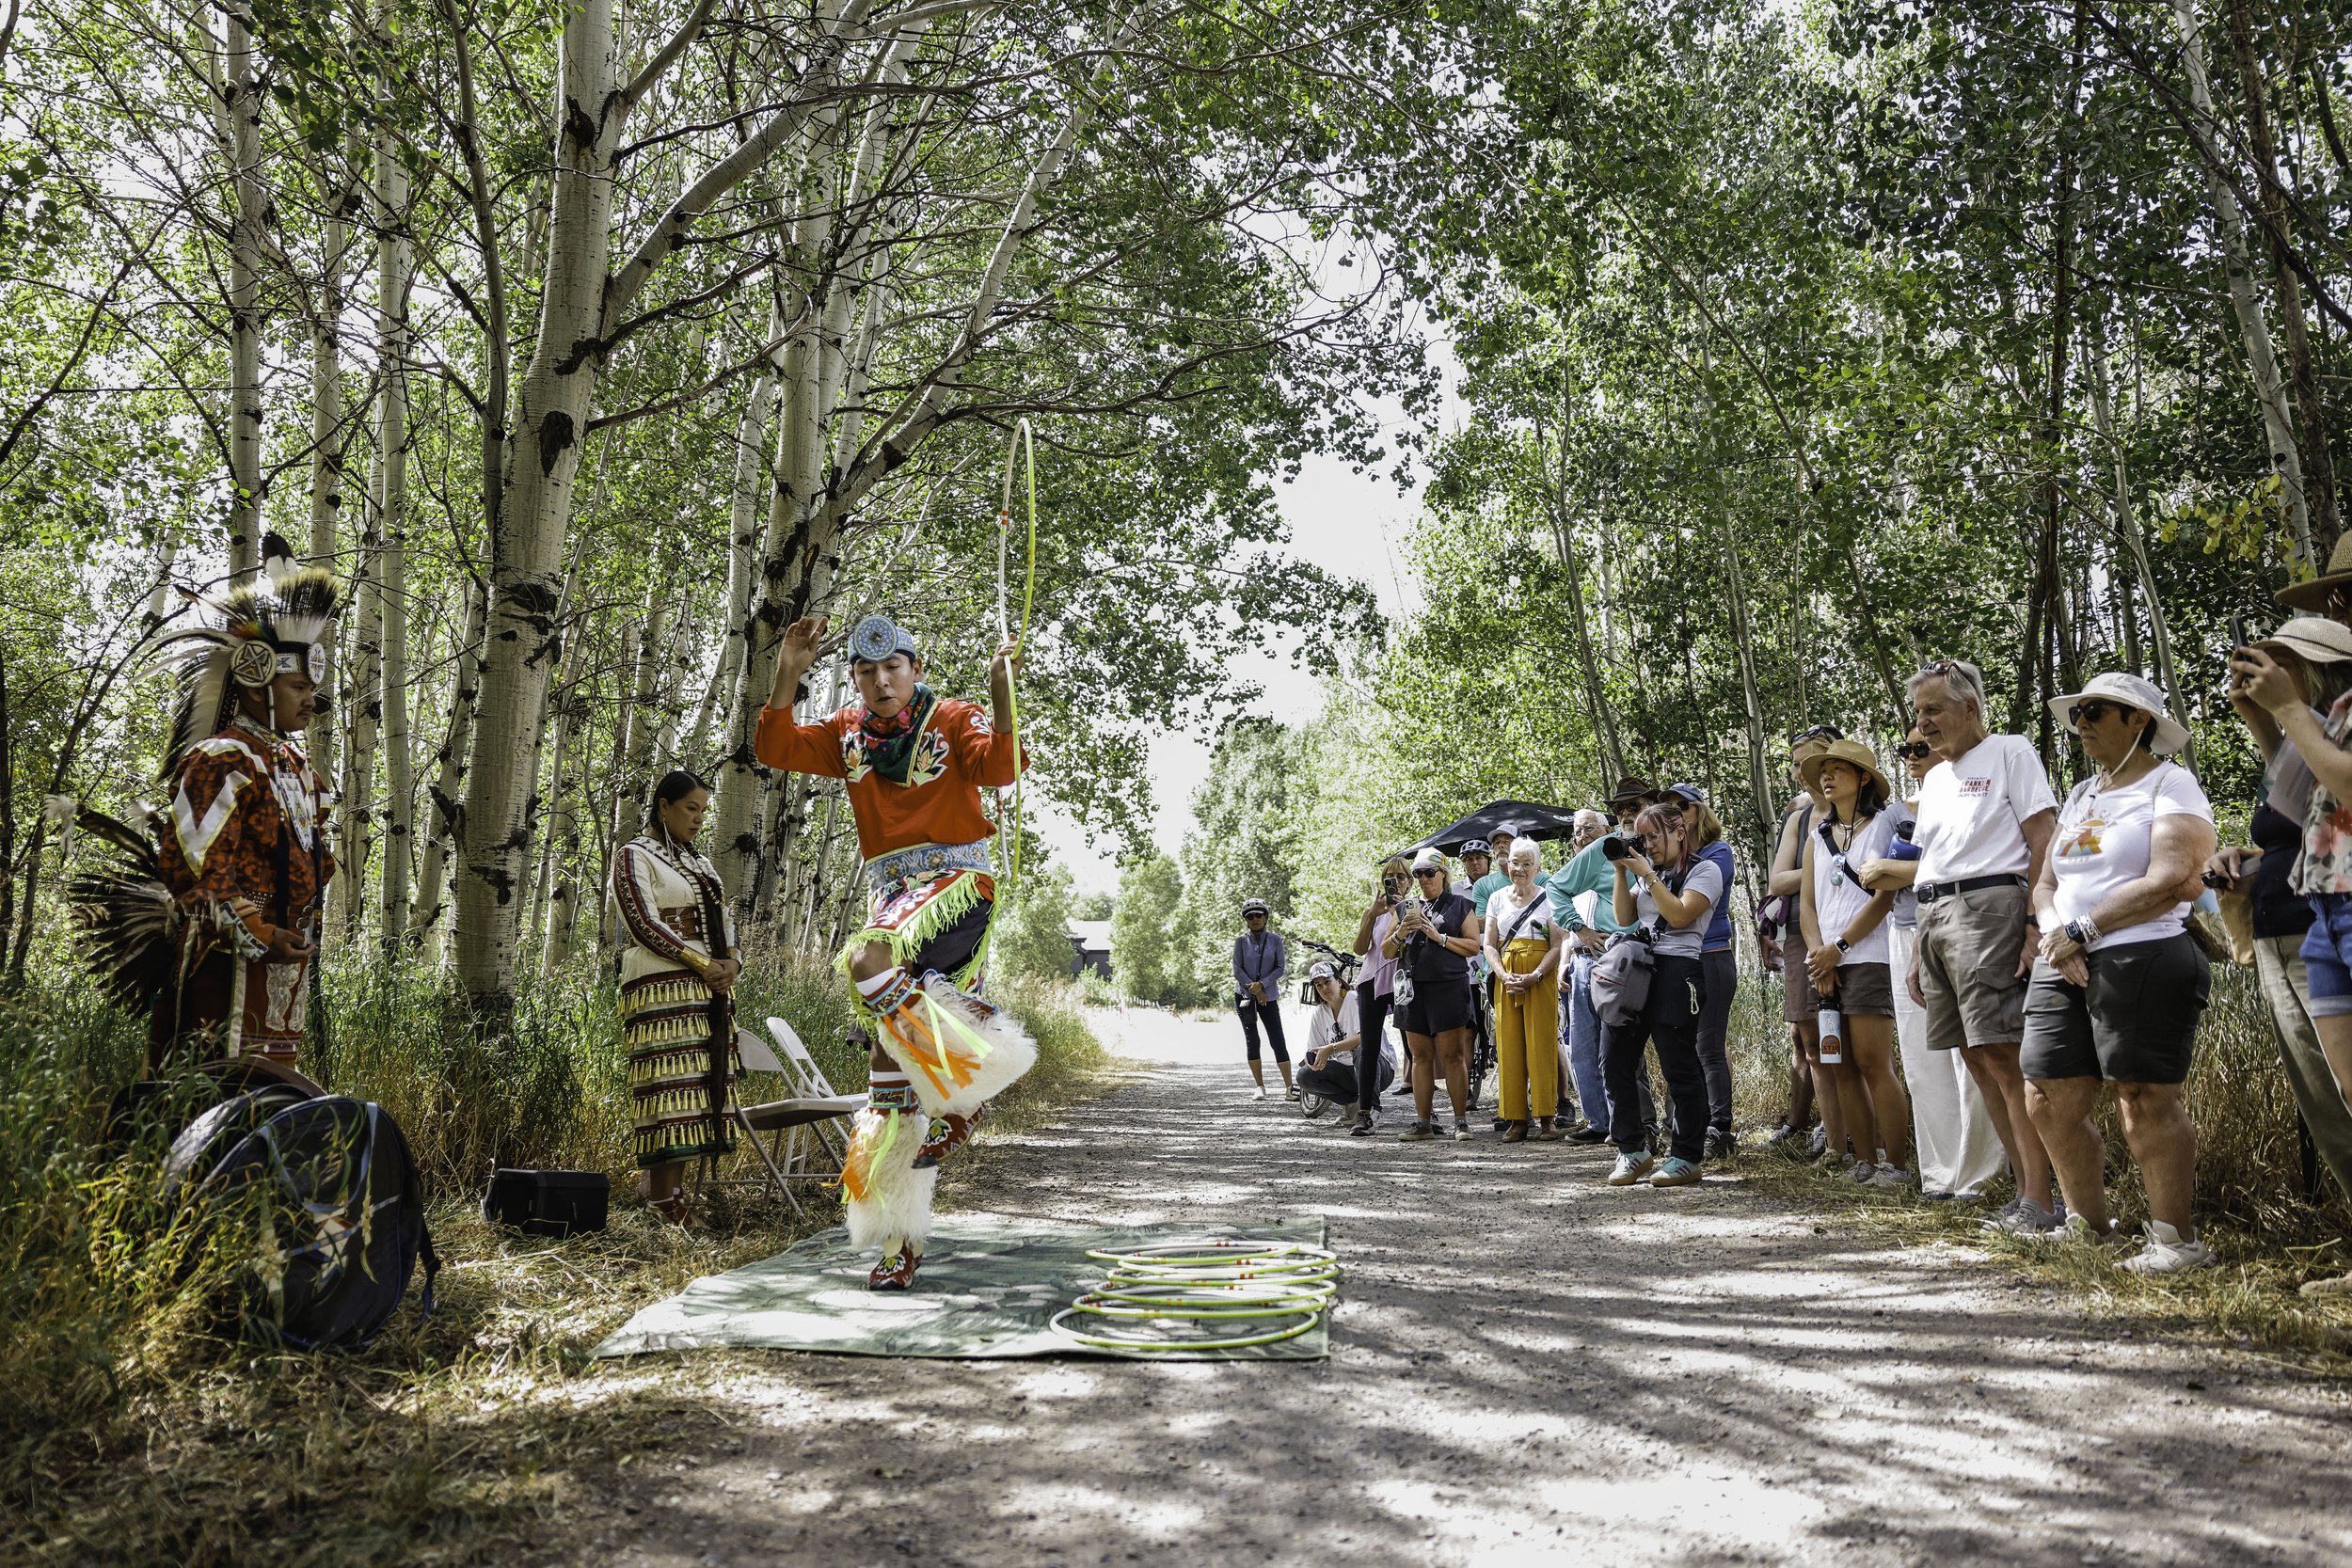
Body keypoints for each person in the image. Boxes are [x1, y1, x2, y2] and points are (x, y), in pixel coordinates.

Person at [755, 611, 1036, 1291]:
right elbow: (774, 746)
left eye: (894, 669)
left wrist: (1002, 694)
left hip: (956, 882)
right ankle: (897, 1242)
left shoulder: (954, 716)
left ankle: (968, 1078)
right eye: (867, 672)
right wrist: (789, 669)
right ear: (853, 678)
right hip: (894, 898)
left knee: (864, 961)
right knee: (890, 1079)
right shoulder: (844, 734)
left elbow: (1002, 765)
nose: (882, 681)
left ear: (914, 669)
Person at [2016, 673, 2217, 1269]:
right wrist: (2060, 936)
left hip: (2144, 953)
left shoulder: (2171, 782)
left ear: (2139, 721)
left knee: (2141, 1093)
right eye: (2077, 713)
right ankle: (2089, 1224)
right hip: (2066, 956)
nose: (2080, 723)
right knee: (2045, 1093)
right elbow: (2048, 883)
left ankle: (2174, 1241)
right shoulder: (2081, 794)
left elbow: (2179, 877)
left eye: (2095, 711)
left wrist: (2087, 930)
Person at [1863, 658, 2062, 1236]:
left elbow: (2042, 836)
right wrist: (1921, 942)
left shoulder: (2010, 751)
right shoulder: (1935, 779)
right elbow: (1931, 863)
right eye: (1918, 712)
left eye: (1933, 710)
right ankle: (2023, 1190)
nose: (1922, 724)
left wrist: (2032, 923)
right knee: (1975, 1059)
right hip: (1934, 915)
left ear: (1969, 708)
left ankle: (2040, 1200)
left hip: (1991, 908)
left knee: (2002, 1054)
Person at [145, 566, 342, 1073]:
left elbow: (310, 859)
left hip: (283, 963)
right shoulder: (222, 759)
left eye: (310, 686)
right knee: (217, 1096)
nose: (311, 700)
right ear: (256, 685)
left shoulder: (296, 769)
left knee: (273, 1096)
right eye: (298, 686)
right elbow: (194, 870)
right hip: (227, 965)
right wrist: (256, 929)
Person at [2216, 617, 2352, 1296]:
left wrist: (2285, 714)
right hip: (2283, 921)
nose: (2260, 671)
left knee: (2345, 1089)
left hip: (2321, 920)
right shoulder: (2310, 732)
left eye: (2277, 662)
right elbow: (2296, 816)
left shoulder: (2334, 724)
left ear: (2312, 667)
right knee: (2325, 1099)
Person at [1878, 724, 2007, 1200]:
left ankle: (1981, 1175)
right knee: (1921, 1057)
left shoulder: (1977, 790)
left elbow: (1954, 864)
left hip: (1967, 924)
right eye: (1905, 748)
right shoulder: (1898, 810)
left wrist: (1897, 870)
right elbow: (1873, 875)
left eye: (1921, 746)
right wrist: (1897, 872)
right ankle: (1939, 1172)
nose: (1912, 754)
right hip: (1908, 930)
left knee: (1972, 1055)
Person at [612, 771, 741, 1223]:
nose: (699, 819)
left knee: (696, 1090)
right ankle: (660, 1198)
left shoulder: (701, 864)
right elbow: (641, 922)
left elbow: (725, 921)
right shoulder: (634, 856)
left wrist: (732, 963)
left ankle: (676, 1194)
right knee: (668, 1086)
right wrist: (703, 963)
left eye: (705, 810)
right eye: (691, 808)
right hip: (658, 983)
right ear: (663, 806)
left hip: (707, 986)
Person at [1797, 739, 1914, 1188]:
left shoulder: (1884, 823)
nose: (1826, 777)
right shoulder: (1815, 839)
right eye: (1822, 771)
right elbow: (1807, 904)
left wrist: (1839, 948)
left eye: (1837, 769)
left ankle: (1897, 1166)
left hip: (1868, 957)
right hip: (1823, 963)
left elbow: (1885, 897)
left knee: (1871, 1061)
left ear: (1863, 778)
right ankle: (1863, 1160)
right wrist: (1818, 957)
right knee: (1837, 1061)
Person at [1601, 801, 1723, 1188]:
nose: (1649, 844)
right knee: (1615, 1059)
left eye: (1655, 836)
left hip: (1678, 970)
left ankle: (1686, 1155)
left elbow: (1681, 916)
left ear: (1679, 832)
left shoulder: (1706, 870)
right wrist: (1622, 872)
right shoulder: (1648, 873)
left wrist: (1648, 875)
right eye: (1644, 837)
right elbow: (1624, 918)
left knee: (1679, 1067)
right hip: (1638, 971)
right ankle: (1632, 1149)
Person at [1548, 780, 1663, 1147]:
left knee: (1636, 1051)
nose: (1628, 814)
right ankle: (1602, 1124)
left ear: (1651, 806)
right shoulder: (1603, 849)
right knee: (1587, 1049)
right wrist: (1578, 930)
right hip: (1599, 959)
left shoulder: (1663, 843)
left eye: (1635, 806)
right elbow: (1555, 887)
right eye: (1621, 809)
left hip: (1649, 958)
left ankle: (1646, 1127)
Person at [1763, 727, 1839, 1157]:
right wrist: (1829, 865)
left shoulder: (1867, 812)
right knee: (1813, 1040)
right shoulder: (1799, 818)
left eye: (1811, 760)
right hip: (1800, 937)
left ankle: (1869, 1139)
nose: (1803, 773)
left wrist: (1809, 873)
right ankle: (1830, 1135)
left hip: (1852, 935)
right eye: (1796, 764)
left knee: (1857, 1043)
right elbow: (1777, 881)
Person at [1385, 847, 1483, 1141]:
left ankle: (1460, 1122)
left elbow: (1473, 946)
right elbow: (1387, 951)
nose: (1425, 878)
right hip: (1413, 990)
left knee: (1453, 1055)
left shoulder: (1460, 904)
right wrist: (1401, 932)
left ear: (1443, 874)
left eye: (1430, 872)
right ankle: (1423, 1122)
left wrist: (1438, 937)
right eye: (1419, 874)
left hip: (1448, 987)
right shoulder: (1405, 907)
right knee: (1420, 1056)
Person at [1668, 784, 1739, 1158]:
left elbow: (1686, 905)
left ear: (1698, 811)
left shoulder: (1717, 853)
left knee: (1708, 1047)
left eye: (1682, 805)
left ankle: (1720, 1129)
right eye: (1669, 808)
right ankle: (1684, 1125)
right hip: (1680, 960)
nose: (1676, 811)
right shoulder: (1671, 859)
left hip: (1712, 954)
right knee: (1680, 1046)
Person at [1483, 840, 1566, 1141]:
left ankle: (1547, 1117)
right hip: (1507, 979)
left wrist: (1536, 974)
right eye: (1515, 862)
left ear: (1538, 868)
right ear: (1507, 865)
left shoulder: (1549, 898)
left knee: (1542, 1045)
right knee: (1509, 1046)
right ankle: (1516, 1119)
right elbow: (1489, 943)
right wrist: (1502, 974)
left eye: (1526, 863)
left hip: (1540, 977)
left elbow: (1558, 943)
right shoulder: (1496, 898)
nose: (1519, 868)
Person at [1348, 856, 1408, 1135]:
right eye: (1390, 877)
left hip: (1401, 980)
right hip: (1371, 979)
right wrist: (1373, 913)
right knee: (1369, 1047)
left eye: (1401, 877)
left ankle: (1425, 1111)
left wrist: (1400, 909)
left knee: (1413, 1043)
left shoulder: (1413, 907)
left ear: (1410, 881)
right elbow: (1360, 949)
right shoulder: (1373, 911)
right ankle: (1365, 1111)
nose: (1395, 881)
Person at [1296, 961, 1397, 1110]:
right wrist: (1313, 1059)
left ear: (1338, 981)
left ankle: (1371, 1109)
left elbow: (1365, 1036)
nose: (1324, 988)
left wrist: (1331, 1049)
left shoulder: (1355, 999)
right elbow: (1315, 1048)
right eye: (1318, 985)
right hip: (1347, 1072)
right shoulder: (1319, 1012)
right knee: (1304, 1075)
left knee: (1361, 1049)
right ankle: (1352, 1104)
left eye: (1327, 982)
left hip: (1378, 1068)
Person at [1232, 897, 1294, 1101]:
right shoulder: (1240, 942)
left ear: (1266, 918)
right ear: (1247, 921)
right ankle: (1259, 1086)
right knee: (1253, 1041)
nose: (1255, 919)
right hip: (1245, 997)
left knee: (1277, 1039)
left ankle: (1289, 1087)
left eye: (1259, 915)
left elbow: (1280, 967)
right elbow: (1237, 969)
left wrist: (1263, 985)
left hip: (1270, 996)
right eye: (1250, 917)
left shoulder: (1275, 940)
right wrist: (1255, 989)